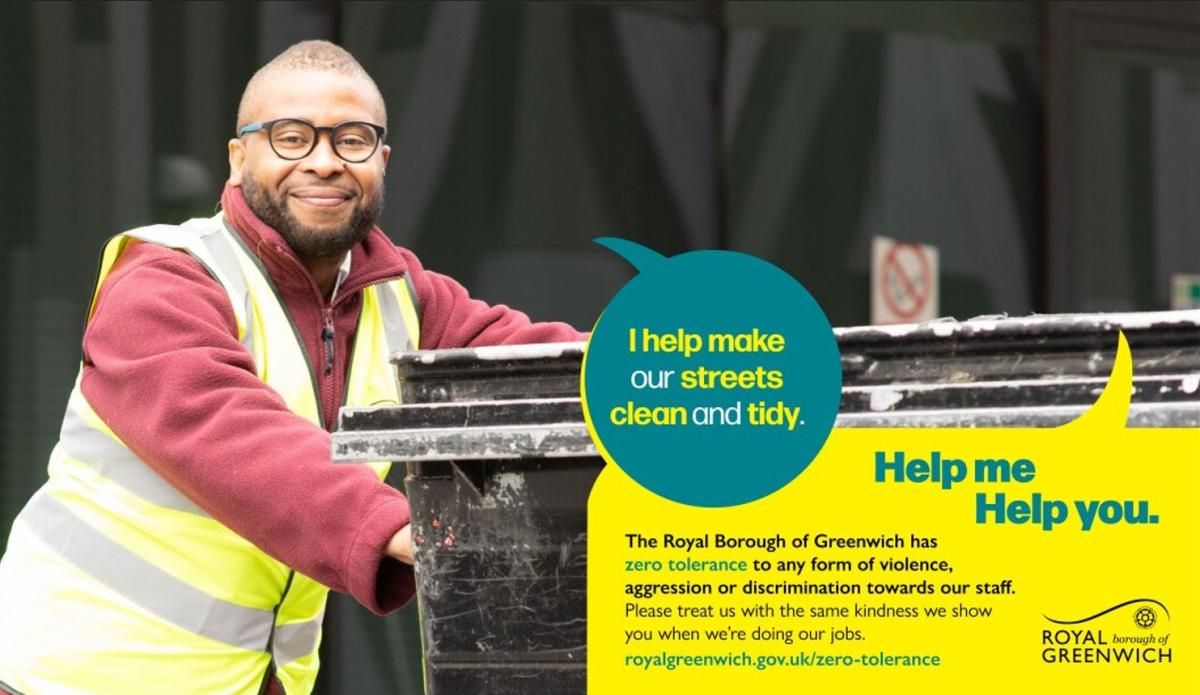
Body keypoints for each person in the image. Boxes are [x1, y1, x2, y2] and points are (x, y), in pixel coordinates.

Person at [0, 40, 583, 695]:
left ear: (382, 161)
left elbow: (543, 362)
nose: (325, 162)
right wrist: (400, 527)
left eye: (352, 140)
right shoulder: (163, 280)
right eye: (291, 137)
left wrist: (663, 368)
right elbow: (230, 434)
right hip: (69, 677)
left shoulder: (403, 295)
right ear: (238, 158)